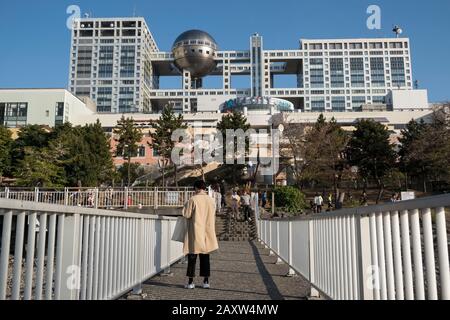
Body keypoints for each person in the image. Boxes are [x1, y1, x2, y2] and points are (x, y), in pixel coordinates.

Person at [182, 180, 219, 289]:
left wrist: (185, 205)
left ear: (196, 188)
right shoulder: (211, 200)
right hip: (207, 232)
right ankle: (206, 281)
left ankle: (190, 282)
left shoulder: (193, 199)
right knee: (205, 257)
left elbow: (186, 214)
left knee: (192, 257)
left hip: (195, 231)